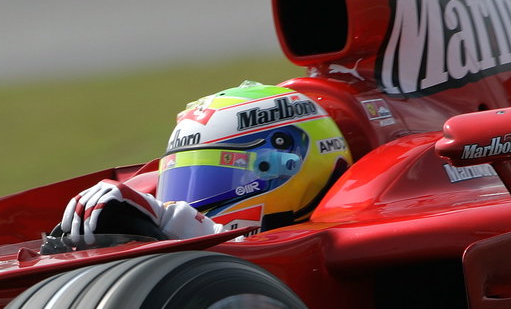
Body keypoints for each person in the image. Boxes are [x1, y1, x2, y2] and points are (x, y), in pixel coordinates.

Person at [53, 82, 354, 247]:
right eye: (183, 178)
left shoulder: (351, 236)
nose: (190, 199)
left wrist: (174, 223)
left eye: (214, 178)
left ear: (288, 165)